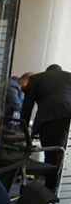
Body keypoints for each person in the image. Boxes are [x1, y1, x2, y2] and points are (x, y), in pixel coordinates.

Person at [20, 64, 71, 193]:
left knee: (51, 154)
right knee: (60, 152)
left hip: (49, 118)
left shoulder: (37, 78)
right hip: (67, 118)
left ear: (47, 70)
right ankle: (54, 187)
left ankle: (49, 190)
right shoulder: (69, 77)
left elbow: (27, 105)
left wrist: (23, 127)